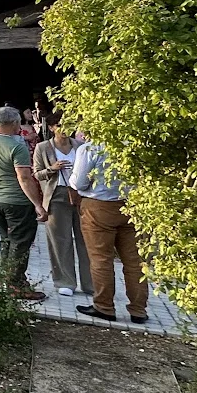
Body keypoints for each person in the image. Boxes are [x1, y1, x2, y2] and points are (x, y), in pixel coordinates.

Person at [0, 105, 50, 301]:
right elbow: (24, 178)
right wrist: (38, 204)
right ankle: (17, 285)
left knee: (6, 239)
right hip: (16, 200)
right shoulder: (17, 146)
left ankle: (3, 278)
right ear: (13, 123)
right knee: (20, 243)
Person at [70, 138, 148, 323]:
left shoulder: (90, 148)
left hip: (99, 206)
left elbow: (79, 183)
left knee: (101, 259)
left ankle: (104, 306)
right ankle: (138, 310)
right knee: (134, 262)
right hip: (131, 207)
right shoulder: (137, 144)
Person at [34, 118, 91, 297]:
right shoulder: (43, 147)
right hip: (56, 195)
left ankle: (91, 283)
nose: (65, 129)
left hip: (81, 195)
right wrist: (52, 168)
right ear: (51, 127)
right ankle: (65, 281)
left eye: (69, 125)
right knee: (60, 240)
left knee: (86, 239)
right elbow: (37, 174)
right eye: (60, 125)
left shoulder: (81, 146)